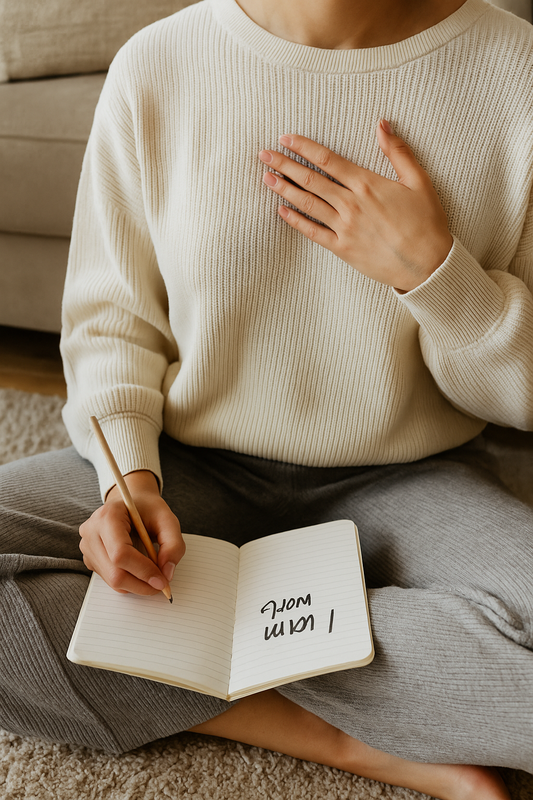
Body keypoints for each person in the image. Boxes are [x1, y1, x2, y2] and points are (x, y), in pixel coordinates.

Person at [0, 0, 532, 797]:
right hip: (187, 475)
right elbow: (111, 324)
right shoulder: (157, 64)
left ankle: (201, 646)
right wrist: (127, 483)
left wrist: (434, 274)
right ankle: (331, 732)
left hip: (413, 476)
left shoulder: (512, 70)